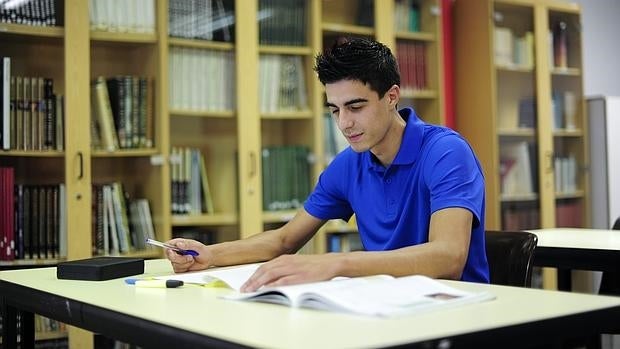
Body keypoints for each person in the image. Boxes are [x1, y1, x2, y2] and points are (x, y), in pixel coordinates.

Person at [165, 37, 489, 292]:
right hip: (389, 309)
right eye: (334, 110)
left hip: (460, 314)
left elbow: (448, 257)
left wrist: (337, 263)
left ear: (391, 97)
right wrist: (209, 255)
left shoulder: (446, 152)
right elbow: (284, 240)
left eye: (355, 106)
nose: (344, 123)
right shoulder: (349, 165)